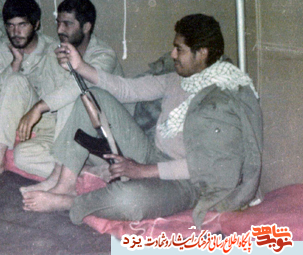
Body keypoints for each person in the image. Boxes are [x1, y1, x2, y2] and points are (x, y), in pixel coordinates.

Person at [21, 14, 262, 230]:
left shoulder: (223, 98)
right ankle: (65, 185)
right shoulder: (177, 79)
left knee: (128, 200)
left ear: (202, 53)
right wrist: (80, 66)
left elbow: (206, 166)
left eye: (179, 49)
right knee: (92, 98)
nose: (173, 55)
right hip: (153, 154)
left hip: (186, 181)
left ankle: (73, 203)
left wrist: (141, 171)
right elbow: (126, 89)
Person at [0, 0, 122, 180]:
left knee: (70, 95)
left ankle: (70, 171)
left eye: (67, 24)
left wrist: (38, 107)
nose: (59, 30)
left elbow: (74, 89)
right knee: (22, 155)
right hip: (48, 124)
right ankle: (82, 173)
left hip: (97, 132)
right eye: (58, 23)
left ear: (86, 27)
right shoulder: (58, 51)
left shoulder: (103, 54)